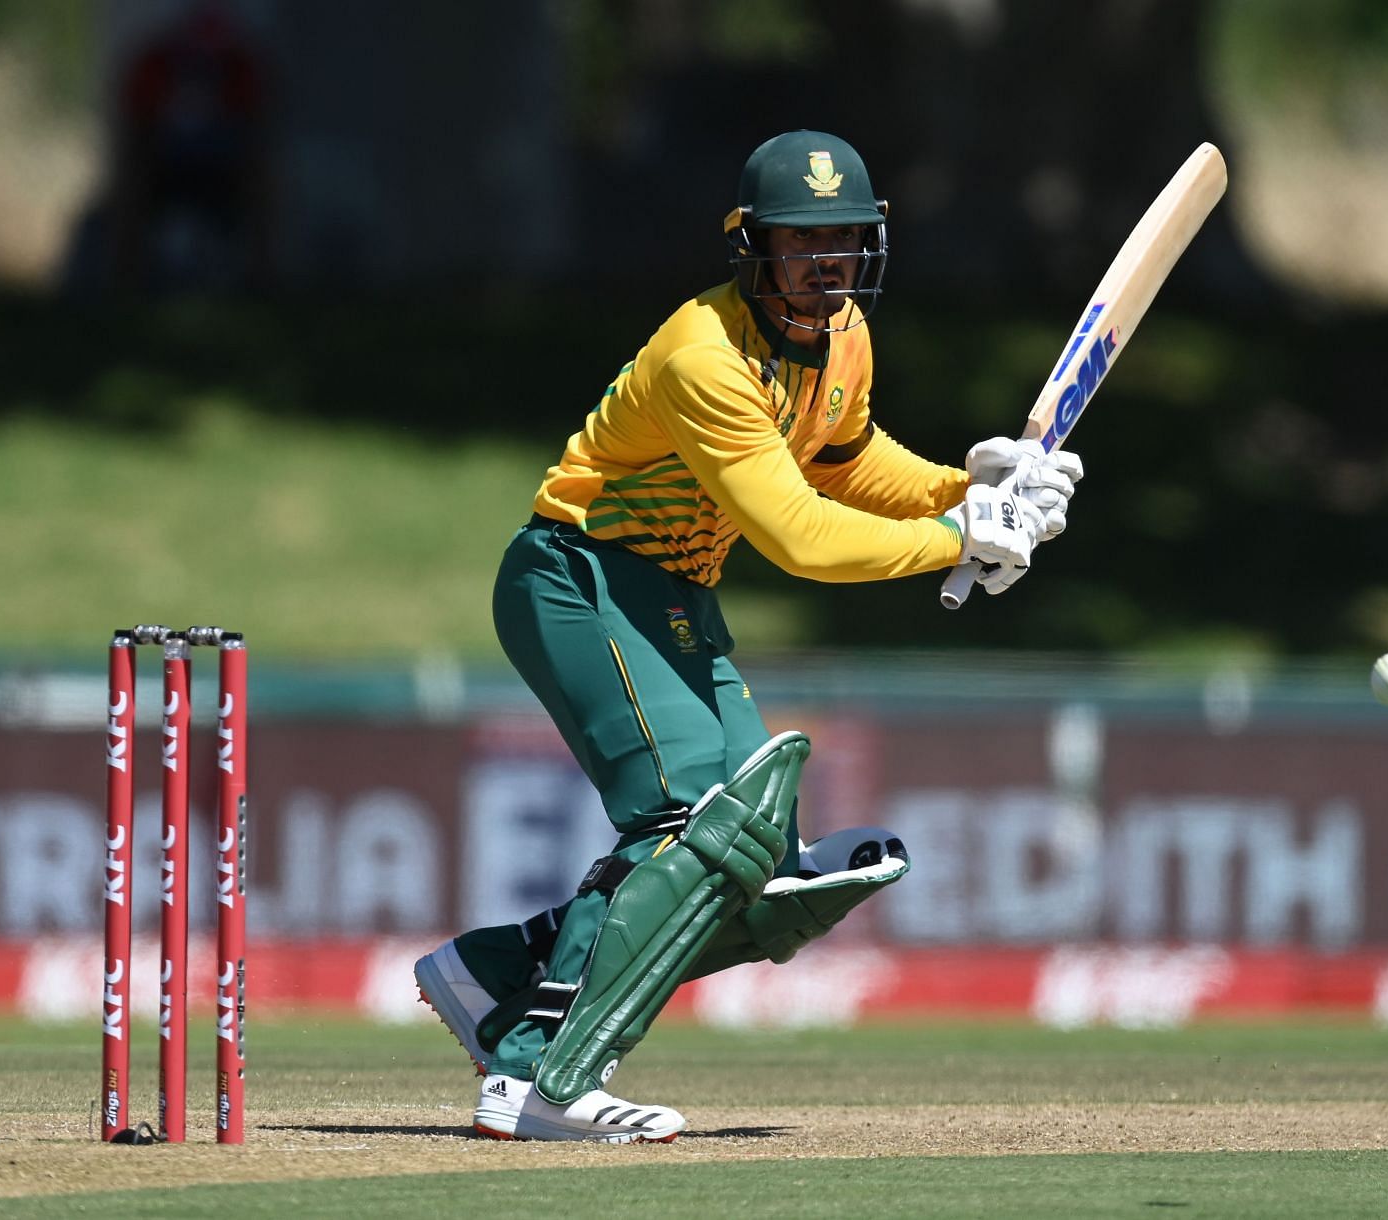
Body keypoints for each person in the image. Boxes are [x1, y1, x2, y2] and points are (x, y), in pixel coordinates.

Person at [414, 130, 1084, 1143]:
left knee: (757, 855)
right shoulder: (705, 355)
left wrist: (971, 484)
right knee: (689, 826)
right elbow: (798, 535)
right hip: (580, 574)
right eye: (801, 243)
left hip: (675, 589)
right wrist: (956, 534)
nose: (826, 264)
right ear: (753, 249)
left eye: (845, 240)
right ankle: (541, 1079)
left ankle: (498, 972)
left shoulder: (845, 337)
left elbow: (847, 464)